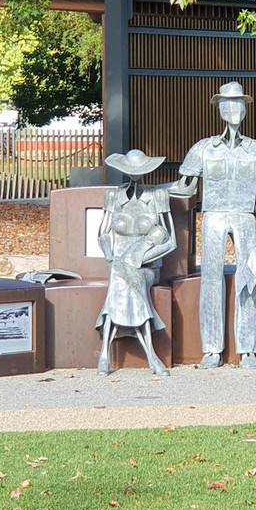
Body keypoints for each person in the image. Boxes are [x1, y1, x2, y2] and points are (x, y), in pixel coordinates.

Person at [172, 81, 256, 369]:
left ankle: (247, 348)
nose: (234, 108)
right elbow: (184, 188)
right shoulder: (204, 148)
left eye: (239, 102)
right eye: (228, 103)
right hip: (213, 216)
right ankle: (212, 348)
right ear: (219, 108)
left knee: (249, 278)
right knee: (211, 279)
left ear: (245, 108)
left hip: (245, 216)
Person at [96, 149, 177, 376]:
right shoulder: (113, 196)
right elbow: (102, 234)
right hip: (118, 263)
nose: (135, 174)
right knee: (118, 273)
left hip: (146, 267)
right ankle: (150, 354)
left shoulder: (157, 196)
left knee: (125, 277)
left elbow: (171, 241)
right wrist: (111, 256)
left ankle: (105, 353)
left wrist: (141, 259)